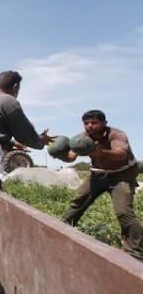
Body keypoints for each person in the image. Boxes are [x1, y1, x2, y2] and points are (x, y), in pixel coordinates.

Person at [53, 110, 142, 262]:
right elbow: (71, 157)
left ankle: (136, 253)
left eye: (94, 123)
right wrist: (60, 154)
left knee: (124, 212)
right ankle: (59, 234)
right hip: (98, 174)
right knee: (77, 203)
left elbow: (122, 154)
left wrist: (101, 153)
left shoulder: (116, 134)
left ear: (104, 123)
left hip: (122, 175)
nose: (89, 126)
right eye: (86, 123)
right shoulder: (82, 138)